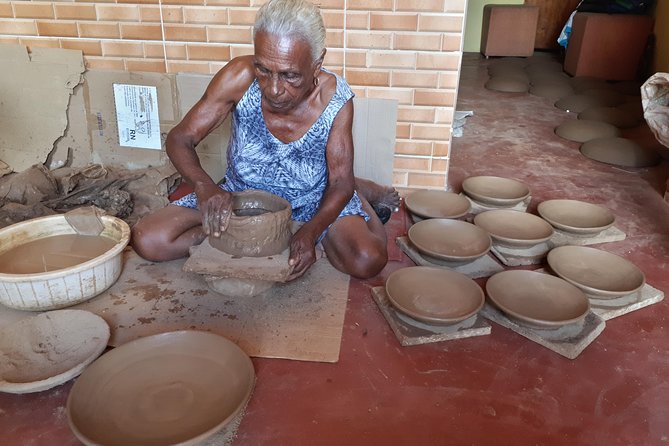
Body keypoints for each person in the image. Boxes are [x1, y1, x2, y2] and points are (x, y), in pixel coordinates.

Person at [132, 0, 400, 281]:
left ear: (317, 65)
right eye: (263, 70)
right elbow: (180, 138)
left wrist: (310, 232)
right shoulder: (238, 76)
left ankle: (362, 196)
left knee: (367, 259)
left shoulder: (335, 100)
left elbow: (339, 184)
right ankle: (249, 231)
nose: (273, 89)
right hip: (243, 200)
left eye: (290, 75)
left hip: (312, 202)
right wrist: (204, 186)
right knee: (149, 239)